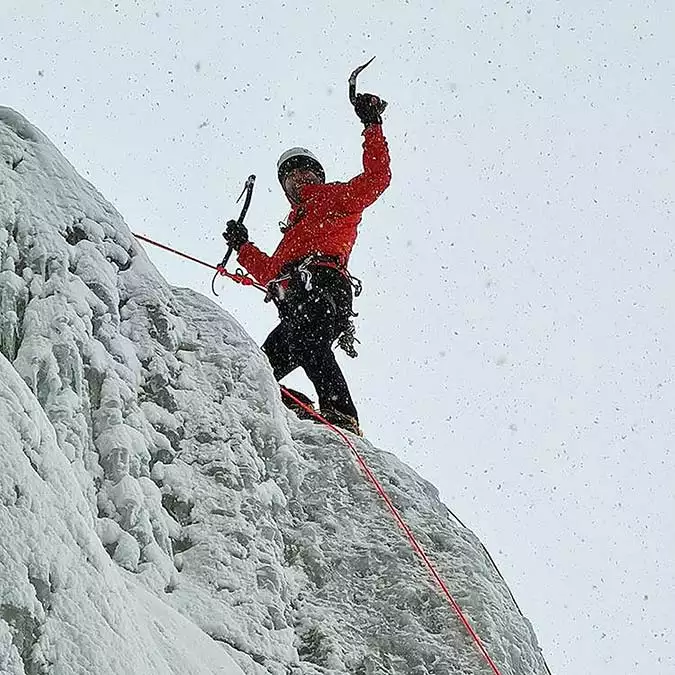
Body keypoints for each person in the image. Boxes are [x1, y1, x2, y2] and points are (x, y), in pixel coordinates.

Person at [224, 93, 391, 435]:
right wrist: (243, 246)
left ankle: (341, 412)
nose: (297, 180)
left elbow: (377, 178)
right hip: (296, 298)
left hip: (325, 286)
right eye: (290, 179)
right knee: (261, 366)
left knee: (309, 339)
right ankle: (288, 401)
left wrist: (372, 125)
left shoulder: (335, 196)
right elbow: (271, 272)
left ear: (316, 175)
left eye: (303, 173)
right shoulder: (294, 230)